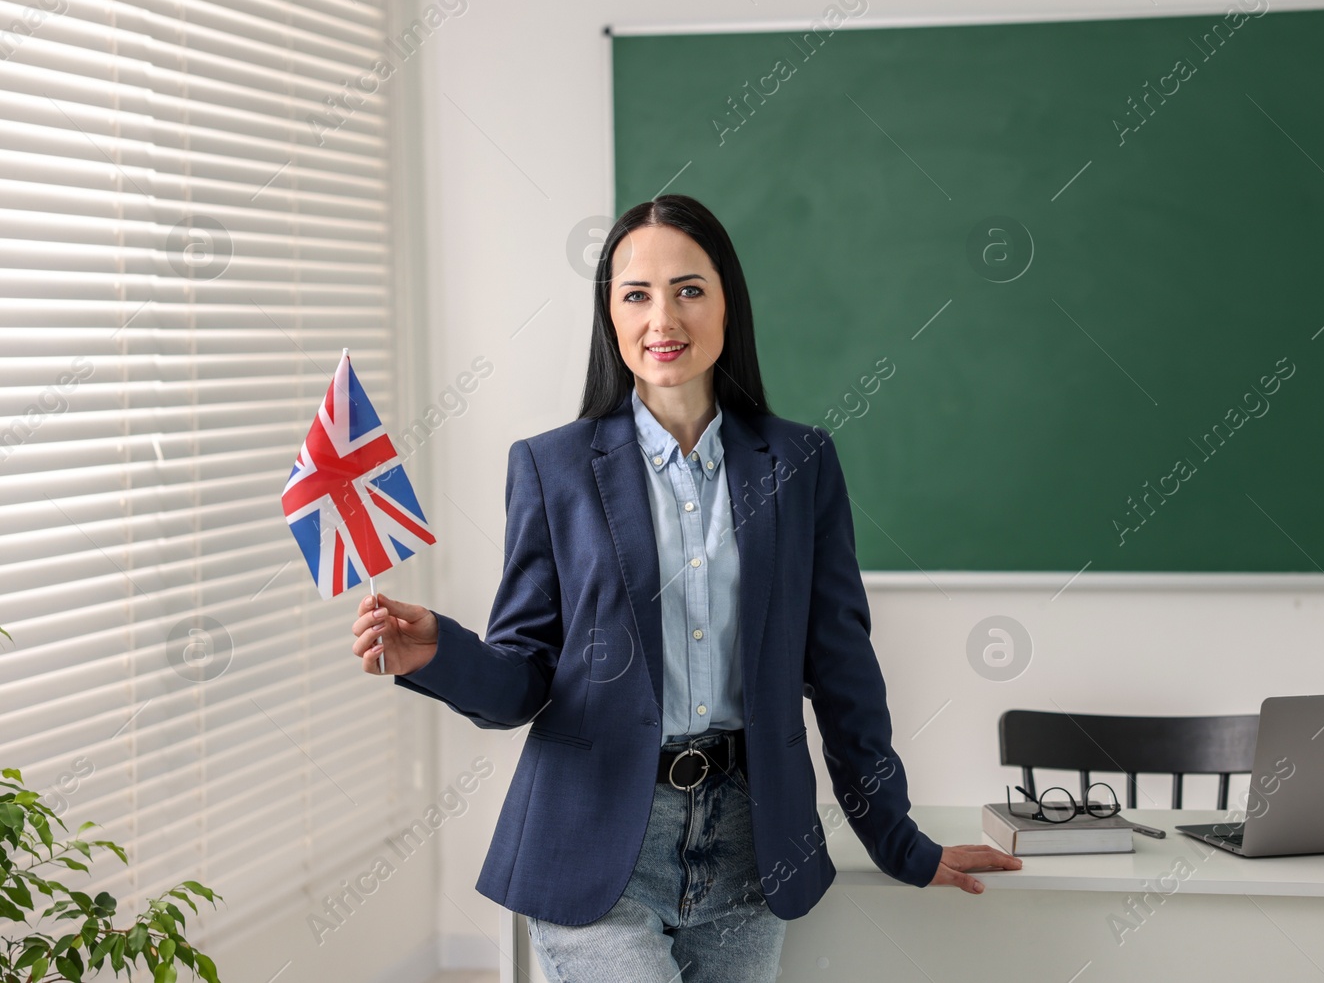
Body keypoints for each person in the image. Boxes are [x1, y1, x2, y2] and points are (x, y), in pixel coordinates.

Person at [350, 194, 1021, 982]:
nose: (662, 316)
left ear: (728, 302)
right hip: (598, 844)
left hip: (751, 845)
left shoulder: (801, 464)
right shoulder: (551, 467)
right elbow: (525, 678)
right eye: (636, 294)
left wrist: (900, 841)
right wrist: (440, 654)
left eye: (689, 288)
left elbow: (842, 673)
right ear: (609, 314)